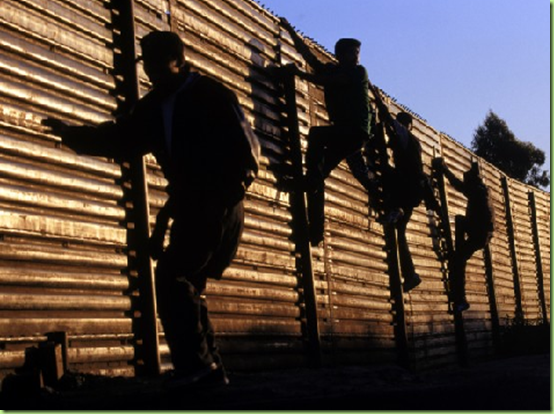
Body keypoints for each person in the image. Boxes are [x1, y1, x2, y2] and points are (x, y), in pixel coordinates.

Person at [43, 31, 260, 389]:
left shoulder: (210, 95)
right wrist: (72, 134)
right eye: (147, 63)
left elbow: (248, 152)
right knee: (186, 281)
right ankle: (208, 369)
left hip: (218, 203)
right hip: (193, 205)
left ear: (177, 60)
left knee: (174, 276)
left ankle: (200, 366)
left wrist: (220, 198)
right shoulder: (156, 106)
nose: (150, 71)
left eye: (156, 62)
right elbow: (121, 137)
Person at [280, 18, 372, 246]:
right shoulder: (334, 69)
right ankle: (316, 231)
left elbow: (326, 80)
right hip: (345, 133)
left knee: (316, 135)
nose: (357, 57)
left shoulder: (358, 73)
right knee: (318, 176)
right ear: (341, 55)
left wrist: (298, 75)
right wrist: (290, 30)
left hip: (354, 132)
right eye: (353, 53)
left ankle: (307, 181)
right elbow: (310, 59)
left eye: (358, 53)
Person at [369, 85, 439, 293]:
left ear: (406, 125)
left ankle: (395, 208)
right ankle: (410, 275)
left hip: (406, 188)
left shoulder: (403, 133)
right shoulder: (413, 143)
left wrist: (376, 98)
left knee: (386, 171)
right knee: (399, 232)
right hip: (414, 190)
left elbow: (388, 121)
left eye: (400, 124)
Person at [435, 159, 494, 312]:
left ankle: (461, 300)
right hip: (481, 233)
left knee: (458, 261)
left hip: (478, 234)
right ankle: (458, 252)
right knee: (460, 221)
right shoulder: (482, 190)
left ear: (472, 181)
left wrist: (444, 169)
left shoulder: (477, 191)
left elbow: (457, 185)